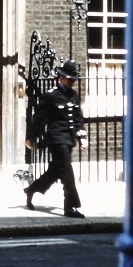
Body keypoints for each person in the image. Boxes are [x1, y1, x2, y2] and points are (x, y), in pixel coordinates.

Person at [23, 59, 88, 218]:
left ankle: (31, 190)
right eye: (69, 79)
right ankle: (70, 206)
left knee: (55, 171)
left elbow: (78, 118)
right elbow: (38, 117)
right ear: (62, 78)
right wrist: (31, 138)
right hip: (56, 138)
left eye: (73, 80)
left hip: (68, 138)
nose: (71, 83)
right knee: (67, 172)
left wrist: (82, 136)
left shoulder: (73, 95)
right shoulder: (51, 95)